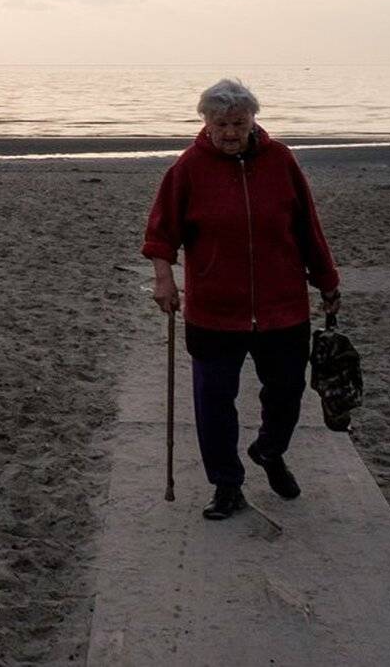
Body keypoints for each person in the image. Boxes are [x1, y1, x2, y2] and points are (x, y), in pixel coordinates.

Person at [143, 78, 341, 520]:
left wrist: (327, 281)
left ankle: (270, 450)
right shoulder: (189, 168)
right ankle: (226, 485)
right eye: (221, 123)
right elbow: (160, 233)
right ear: (206, 123)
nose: (230, 132)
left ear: (254, 120)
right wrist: (164, 280)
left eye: (238, 122)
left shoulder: (281, 161)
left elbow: (309, 228)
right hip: (214, 312)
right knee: (214, 402)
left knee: (287, 393)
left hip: (283, 309)